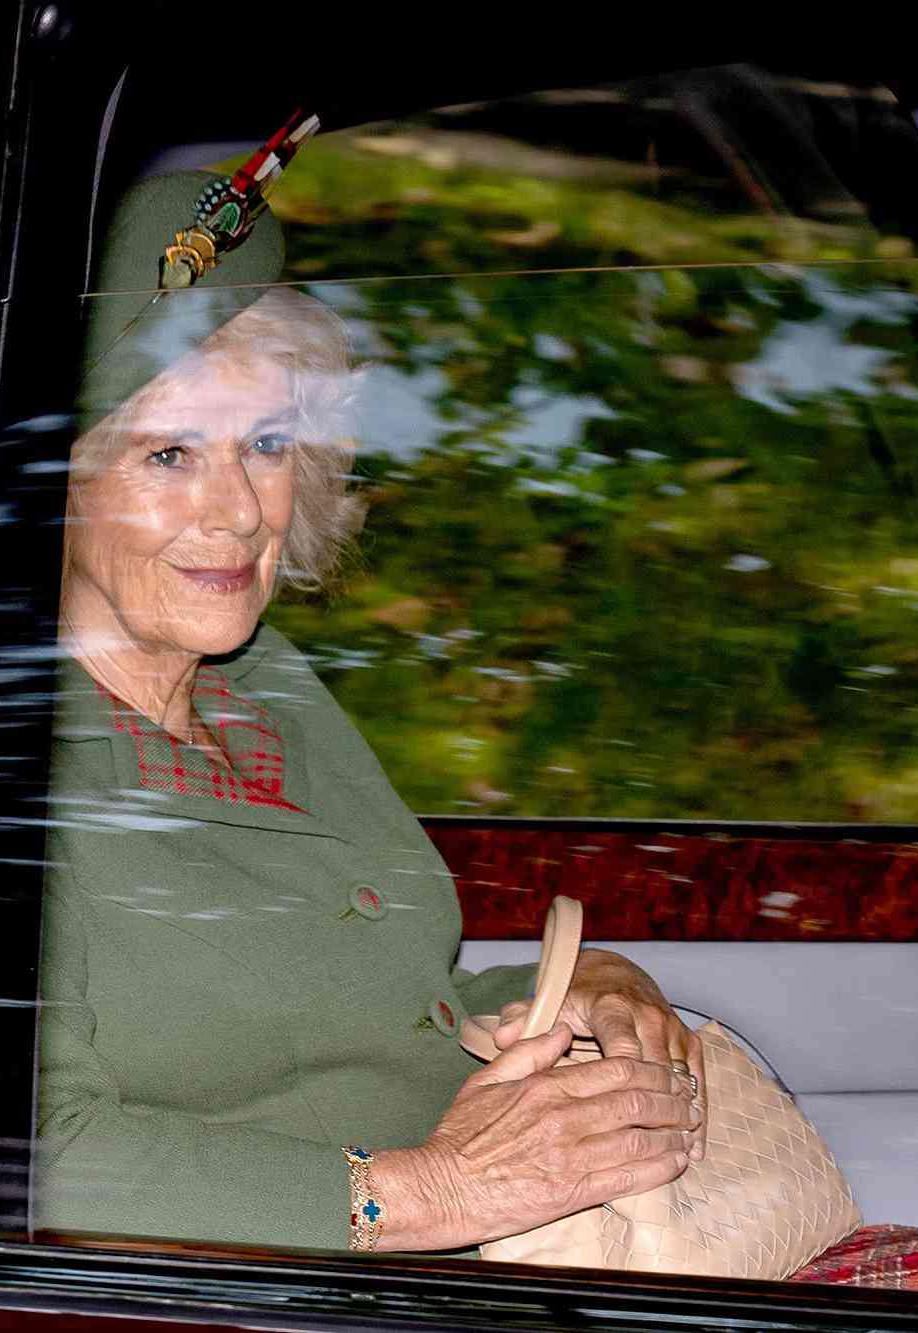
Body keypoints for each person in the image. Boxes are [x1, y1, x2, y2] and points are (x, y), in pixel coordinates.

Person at [35, 170, 707, 1253]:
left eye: (264, 443)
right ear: (46, 489)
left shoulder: (267, 691)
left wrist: (579, 984)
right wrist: (428, 1192)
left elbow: (368, 1001)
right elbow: (13, 1152)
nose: (242, 507)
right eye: (167, 452)